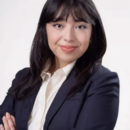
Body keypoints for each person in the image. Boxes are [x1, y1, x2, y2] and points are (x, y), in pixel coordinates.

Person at [0, 0, 120, 130]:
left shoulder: (102, 82)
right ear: (45, 29)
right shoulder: (23, 78)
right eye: (58, 25)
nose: (68, 37)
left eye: (80, 26)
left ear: (92, 33)